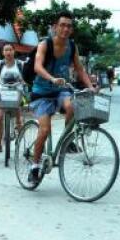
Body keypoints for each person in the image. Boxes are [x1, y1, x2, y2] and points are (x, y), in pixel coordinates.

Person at [28, 11, 95, 185]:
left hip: (61, 91)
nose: (66, 28)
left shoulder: (72, 47)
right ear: (55, 27)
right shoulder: (45, 45)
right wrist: (51, 78)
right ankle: (34, 166)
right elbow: (37, 66)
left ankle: (67, 140)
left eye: (69, 26)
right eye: (62, 25)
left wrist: (90, 87)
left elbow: (80, 69)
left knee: (73, 104)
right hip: (41, 93)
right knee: (44, 131)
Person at [0, 43, 25, 152]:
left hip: (17, 93)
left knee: (19, 118)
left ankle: (21, 142)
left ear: (14, 51)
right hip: (2, 93)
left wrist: (26, 81)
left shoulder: (20, 64)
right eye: (6, 50)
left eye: (10, 50)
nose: (8, 52)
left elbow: (26, 76)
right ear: (3, 52)